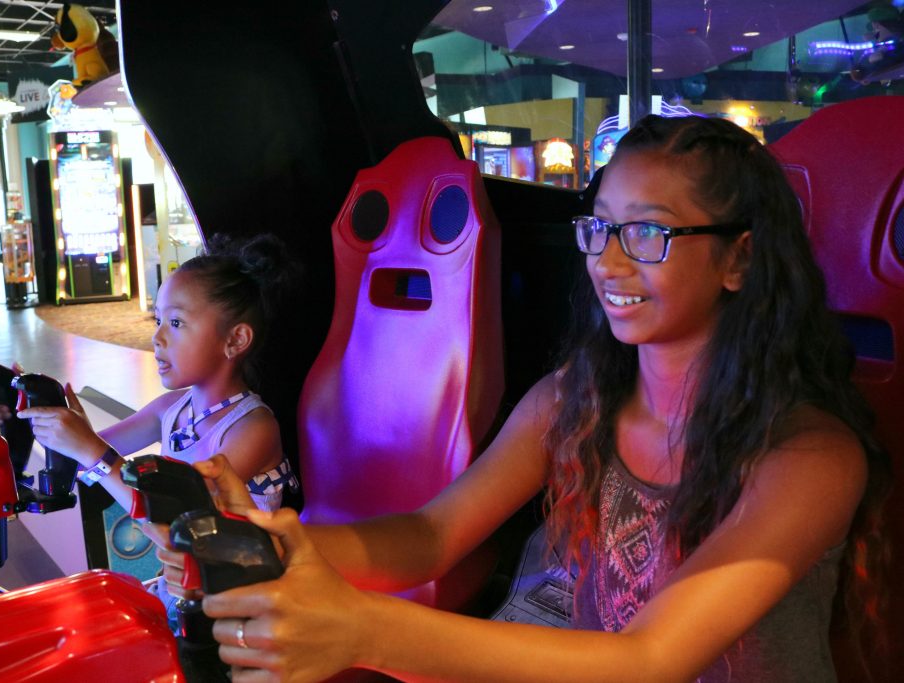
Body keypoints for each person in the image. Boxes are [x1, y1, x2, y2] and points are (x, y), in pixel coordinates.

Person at [159, 115, 889, 682]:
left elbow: (651, 659)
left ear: (740, 256)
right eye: (600, 225)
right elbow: (429, 536)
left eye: (646, 231)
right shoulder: (578, 398)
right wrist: (268, 536)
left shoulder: (809, 456)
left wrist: (364, 630)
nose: (606, 259)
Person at [0, 232, 300, 523]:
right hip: (187, 578)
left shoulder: (253, 428)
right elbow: (79, 459)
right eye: (158, 320)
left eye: (176, 323)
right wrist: (27, 414)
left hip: (250, 583)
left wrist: (94, 451)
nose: (157, 337)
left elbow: (177, 513)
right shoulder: (171, 409)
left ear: (236, 340)